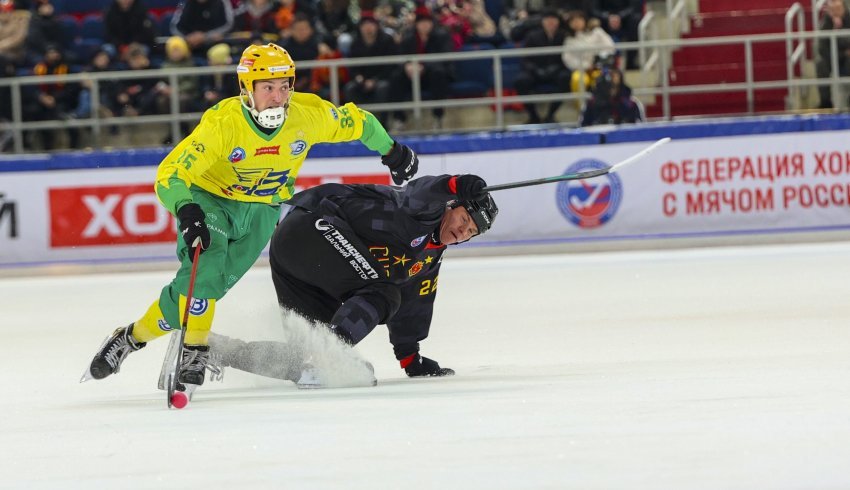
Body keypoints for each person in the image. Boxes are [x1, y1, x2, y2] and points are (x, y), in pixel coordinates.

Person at [83, 43, 420, 396]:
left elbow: (359, 123)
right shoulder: (223, 123)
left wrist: (392, 150)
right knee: (207, 271)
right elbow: (170, 174)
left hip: (261, 212)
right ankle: (194, 350)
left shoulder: (308, 115)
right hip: (210, 202)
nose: (278, 97)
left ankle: (131, 337)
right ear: (247, 89)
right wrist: (187, 208)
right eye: (267, 88)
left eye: (284, 86)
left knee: (199, 294)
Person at [207, 173, 498, 386]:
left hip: (300, 262)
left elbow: (415, 304)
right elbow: (421, 192)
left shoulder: (429, 258)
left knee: (302, 357)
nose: (463, 231)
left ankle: (209, 348)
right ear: (450, 206)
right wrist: (456, 184)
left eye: (471, 231)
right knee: (384, 294)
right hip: (312, 227)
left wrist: (410, 358)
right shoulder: (423, 212)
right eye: (463, 220)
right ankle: (329, 355)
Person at [514, 8, 569, 124]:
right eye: (548, 20)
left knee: (566, 77)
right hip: (535, 71)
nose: (551, 22)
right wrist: (535, 69)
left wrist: (556, 67)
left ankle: (551, 115)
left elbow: (567, 57)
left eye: (553, 20)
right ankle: (533, 116)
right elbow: (526, 58)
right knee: (521, 81)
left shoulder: (563, 36)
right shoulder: (532, 36)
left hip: (556, 71)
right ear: (543, 21)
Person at [816, 0, 850, 109]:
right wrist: (835, 29)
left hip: (847, 59)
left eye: (838, 9)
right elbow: (822, 48)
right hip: (832, 58)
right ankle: (825, 103)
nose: (836, 11)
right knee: (820, 64)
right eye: (833, 10)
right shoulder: (826, 22)